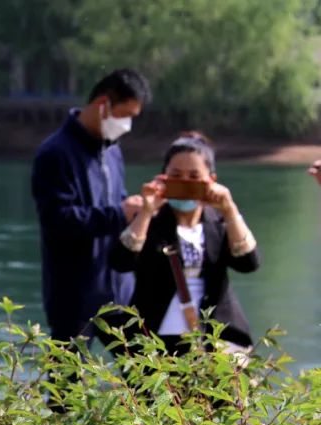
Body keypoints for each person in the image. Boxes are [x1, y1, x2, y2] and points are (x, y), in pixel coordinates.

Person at [31, 68, 151, 345]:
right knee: (67, 372)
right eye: (125, 115)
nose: (127, 125)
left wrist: (137, 211)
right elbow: (57, 220)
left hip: (119, 293)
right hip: (73, 296)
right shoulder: (55, 153)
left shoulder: (113, 150)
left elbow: (119, 207)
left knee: (144, 368)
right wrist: (119, 213)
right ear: (103, 104)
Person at [110, 133, 259, 354]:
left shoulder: (219, 222)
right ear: (163, 178)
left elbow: (249, 263)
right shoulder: (150, 222)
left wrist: (230, 209)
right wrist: (147, 211)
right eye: (176, 176)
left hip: (216, 340)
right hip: (155, 341)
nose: (185, 183)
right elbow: (120, 261)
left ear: (211, 180)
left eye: (194, 176)